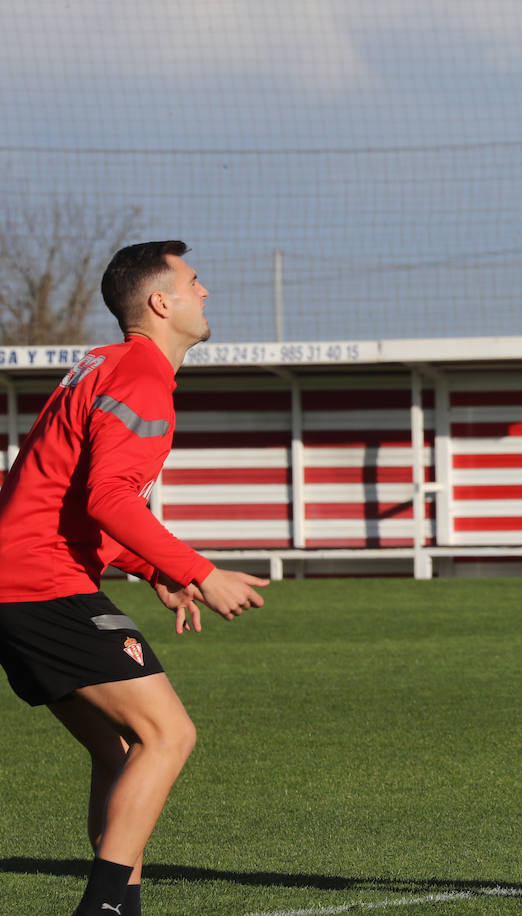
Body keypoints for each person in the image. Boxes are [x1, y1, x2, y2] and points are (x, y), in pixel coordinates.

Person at [0, 241, 269, 916]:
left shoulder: (101, 365)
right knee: (169, 735)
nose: (205, 293)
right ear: (161, 302)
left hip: (19, 576)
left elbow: (55, 494)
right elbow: (109, 501)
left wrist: (150, 568)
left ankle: (126, 906)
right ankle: (104, 909)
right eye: (194, 282)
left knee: (119, 748)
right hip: (40, 582)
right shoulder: (143, 377)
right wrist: (200, 573)